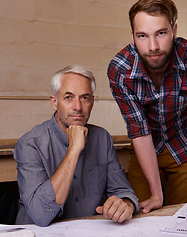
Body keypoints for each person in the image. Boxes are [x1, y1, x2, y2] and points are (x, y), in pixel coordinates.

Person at [107, 0, 187, 228]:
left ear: (174, 29)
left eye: (161, 33)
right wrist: (156, 194)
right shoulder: (119, 69)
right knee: (139, 220)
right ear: (132, 35)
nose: (152, 46)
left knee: (183, 221)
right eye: (142, 36)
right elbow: (139, 131)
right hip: (146, 148)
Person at [14, 65, 139, 227]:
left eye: (84, 98)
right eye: (68, 97)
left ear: (92, 102)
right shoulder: (30, 144)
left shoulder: (102, 138)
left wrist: (125, 204)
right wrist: (74, 150)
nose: (77, 107)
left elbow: (122, 190)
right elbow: (41, 215)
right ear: (54, 102)